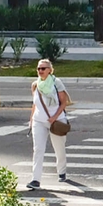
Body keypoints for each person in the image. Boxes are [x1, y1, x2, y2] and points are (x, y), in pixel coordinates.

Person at [27, 58, 70, 190]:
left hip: (56, 121)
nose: (40, 71)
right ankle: (35, 179)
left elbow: (64, 102)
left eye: (43, 68)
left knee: (59, 148)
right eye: (39, 68)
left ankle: (62, 171)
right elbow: (35, 104)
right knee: (38, 150)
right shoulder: (36, 85)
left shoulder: (57, 83)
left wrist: (54, 117)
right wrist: (31, 119)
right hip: (39, 121)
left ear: (50, 70)